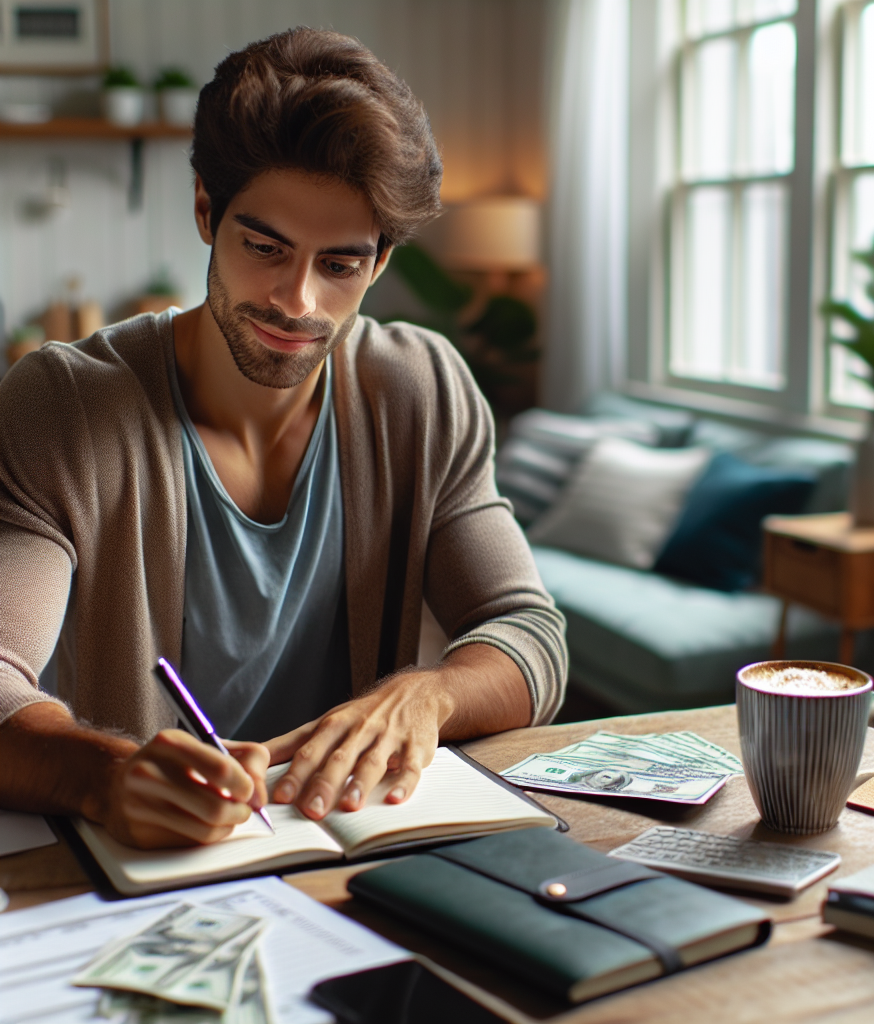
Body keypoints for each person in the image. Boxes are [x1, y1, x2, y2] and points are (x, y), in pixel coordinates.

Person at [0, 29, 566, 850]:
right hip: (142, 868)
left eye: (339, 265)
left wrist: (428, 695)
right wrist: (105, 774)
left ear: (379, 264)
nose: (296, 301)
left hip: (351, 855)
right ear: (205, 210)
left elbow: (528, 633)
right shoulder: (63, 403)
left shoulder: (422, 388)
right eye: (265, 248)